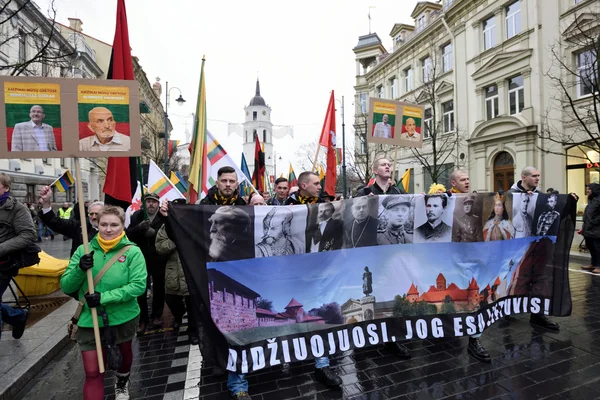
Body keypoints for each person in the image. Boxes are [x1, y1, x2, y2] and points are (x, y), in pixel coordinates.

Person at [60, 205, 147, 400]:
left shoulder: (133, 253)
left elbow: (138, 286)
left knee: (123, 357)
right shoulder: (84, 249)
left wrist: (104, 297)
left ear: (122, 226)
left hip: (122, 317)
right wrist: (80, 269)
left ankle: (122, 381)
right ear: (96, 225)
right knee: (92, 372)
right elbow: (66, 285)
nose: (108, 229)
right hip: (90, 319)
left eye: (114, 225)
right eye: (104, 224)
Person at [448, 171, 489, 361]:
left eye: (468, 178)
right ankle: (449, 330)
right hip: (454, 261)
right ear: (453, 182)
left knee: (474, 300)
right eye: (463, 179)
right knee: (453, 298)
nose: (467, 181)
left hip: (472, 261)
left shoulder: (474, 210)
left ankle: (474, 340)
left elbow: (479, 236)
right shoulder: (445, 199)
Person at [155, 200, 199, 345]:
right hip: (173, 270)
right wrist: (175, 241)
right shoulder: (164, 228)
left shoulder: (192, 225)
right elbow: (160, 247)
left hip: (190, 270)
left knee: (193, 304)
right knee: (172, 300)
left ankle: (193, 331)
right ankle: (178, 316)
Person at [0, 173, 36, 340]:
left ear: (6, 188)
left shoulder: (16, 208)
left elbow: (28, 234)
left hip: (3, 264)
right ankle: (17, 316)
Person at [126, 193, 167, 334]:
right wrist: (139, 228)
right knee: (141, 290)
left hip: (158, 258)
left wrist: (154, 233)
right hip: (140, 259)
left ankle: (157, 315)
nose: (151, 204)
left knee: (159, 288)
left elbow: (169, 234)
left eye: (154, 202)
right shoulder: (137, 216)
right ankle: (142, 319)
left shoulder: (163, 216)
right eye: (148, 201)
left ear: (158, 203)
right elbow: (128, 235)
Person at [38, 186, 102, 256]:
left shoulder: (112, 229)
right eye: (91, 214)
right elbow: (55, 223)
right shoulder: (79, 226)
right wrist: (46, 203)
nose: (94, 217)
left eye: (97, 214)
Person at [582, 184, 600, 274]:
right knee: (591, 247)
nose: (588, 190)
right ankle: (594, 264)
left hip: (596, 229)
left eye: (589, 189)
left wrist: (593, 222)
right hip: (588, 228)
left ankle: (599, 266)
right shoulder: (591, 199)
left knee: (597, 248)